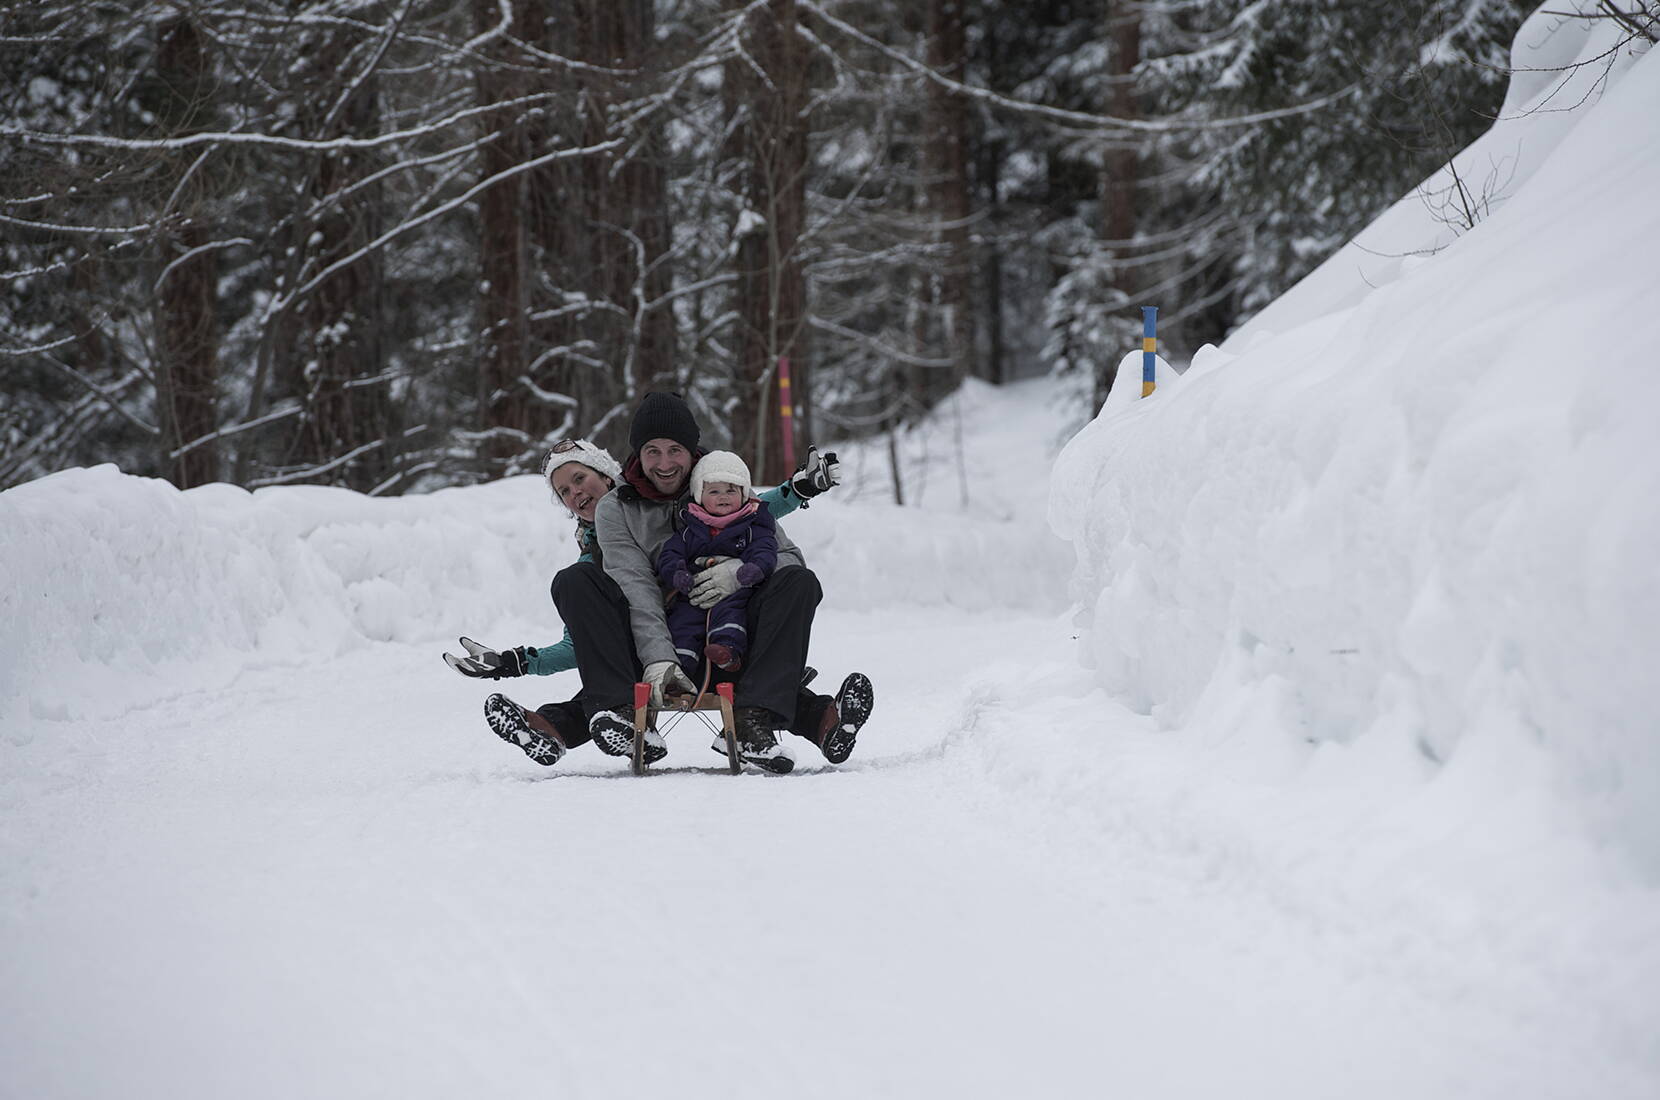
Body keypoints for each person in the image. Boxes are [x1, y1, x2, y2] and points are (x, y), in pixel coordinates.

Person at [443, 429, 855, 770]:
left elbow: (731, 510)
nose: (575, 494)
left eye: (580, 479)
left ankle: (824, 722)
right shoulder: (591, 560)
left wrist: (796, 490)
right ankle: (559, 727)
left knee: (748, 666)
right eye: (564, 491)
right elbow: (579, 645)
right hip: (646, 654)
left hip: (713, 631)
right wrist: (519, 661)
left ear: (606, 475)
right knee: (612, 671)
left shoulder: (645, 504)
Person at [559, 391, 874, 775]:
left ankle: (752, 721)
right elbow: (635, 586)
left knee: (799, 581)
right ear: (637, 454)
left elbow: (787, 556)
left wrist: (740, 570)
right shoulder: (616, 508)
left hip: (735, 641)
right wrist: (659, 659)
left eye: (674, 449)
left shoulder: (723, 484)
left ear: (692, 452)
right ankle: (618, 710)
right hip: (658, 649)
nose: (663, 463)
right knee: (575, 581)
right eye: (652, 451)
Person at [658, 450, 777, 676]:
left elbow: (766, 548)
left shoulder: (752, 525)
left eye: (731, 490)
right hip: (694, 593)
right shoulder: (690, 529)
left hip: (735, 591)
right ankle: (681, 667)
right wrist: (677, 573)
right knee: (682, 621)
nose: (723, 496)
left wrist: (756, 568)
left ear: (743, 493)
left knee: (731, 612)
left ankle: (728, 652)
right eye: (714, 491)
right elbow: (670, 554)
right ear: (699, 495)